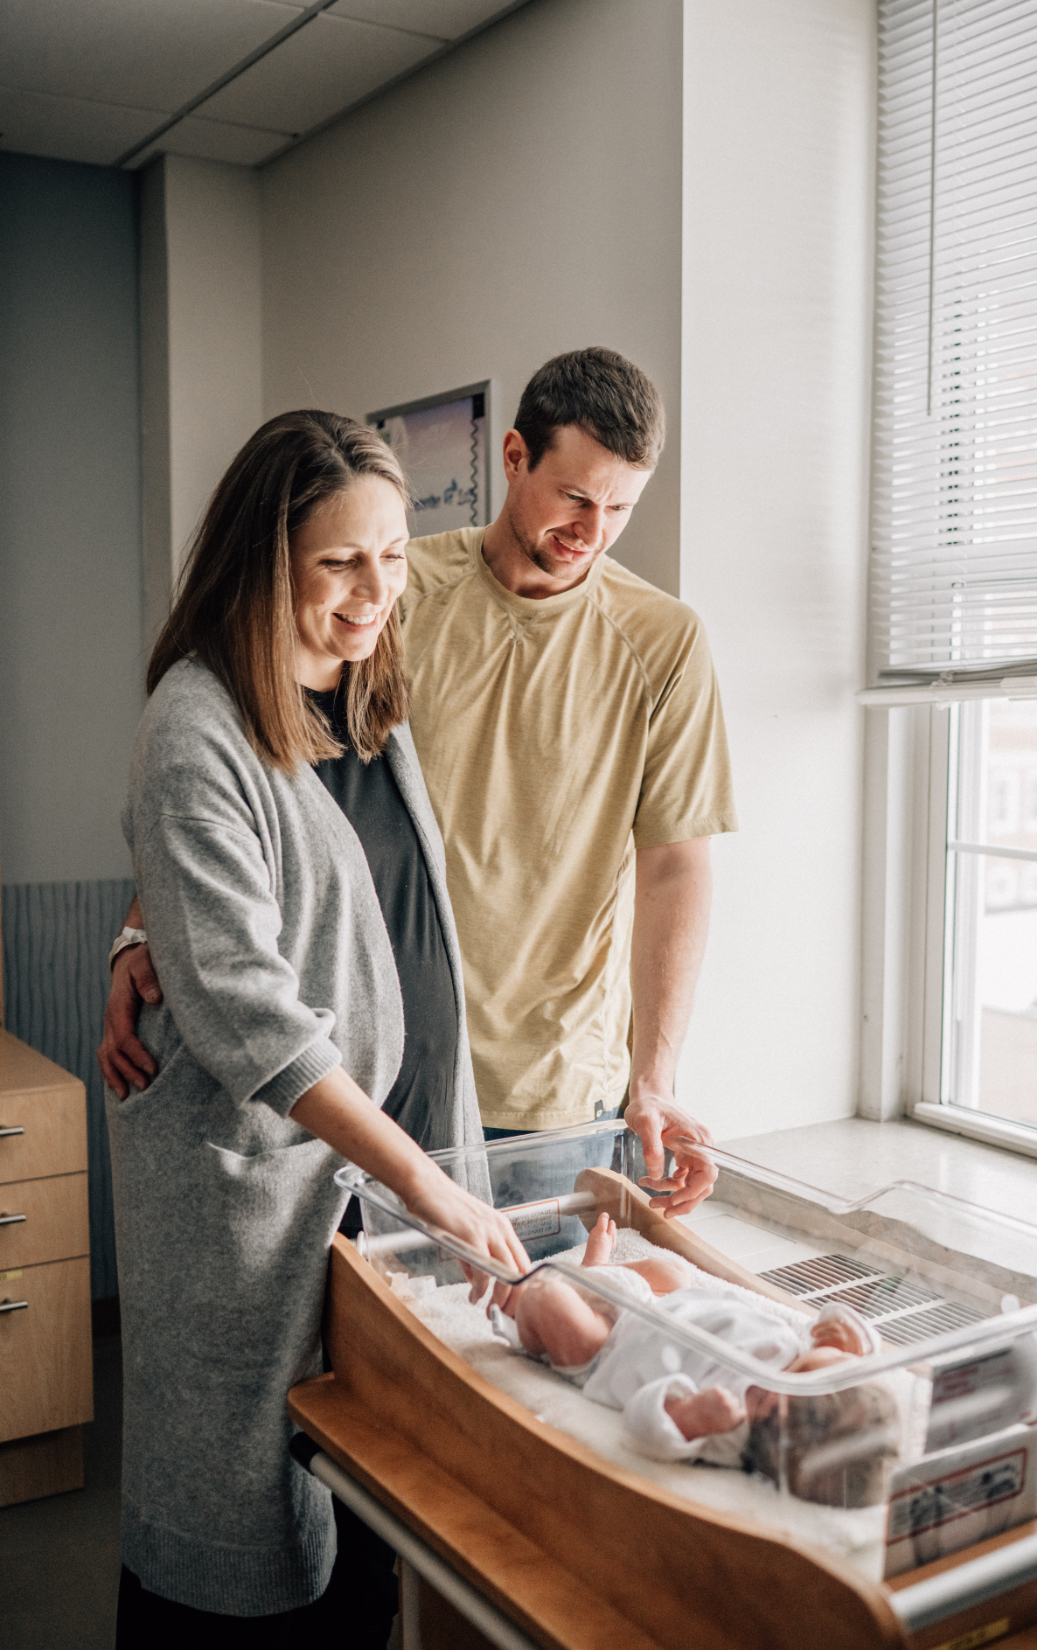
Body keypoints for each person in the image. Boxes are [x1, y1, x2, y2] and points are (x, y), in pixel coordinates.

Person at [101, 347, 736, 1215]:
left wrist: (655, 1080)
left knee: (524, 1341)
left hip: (552, 1092)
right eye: (577, 498)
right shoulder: (387, 592)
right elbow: (244, 768)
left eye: (621, 507)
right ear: (515, 459)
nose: (593, 530)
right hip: (364, 1081)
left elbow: (676, 866)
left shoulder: (663, 641)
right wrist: (149, 928)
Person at [106, 410, 528, 1646]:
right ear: (261, 557)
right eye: (340, 562)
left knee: (360, 1535)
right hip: (272, 1189)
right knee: (239, 1538)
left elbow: (271, 892)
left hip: (374, 1172)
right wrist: (421, 1182)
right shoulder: (196, 728)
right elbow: (248, 1007)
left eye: (392, 556)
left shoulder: (362, 690)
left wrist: (140, 932)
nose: (374, 592)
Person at [498, 1214, 899, 1508]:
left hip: (606, 1352)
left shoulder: (731, 1431)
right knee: (671, 1270)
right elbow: (834, 1331)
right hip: (655, 1304)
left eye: (765, 1406)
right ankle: (597, 1274)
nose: (760, 1388)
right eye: (809, 1369)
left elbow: (642, 1429)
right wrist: (854, 1335)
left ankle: (522, 1298)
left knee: (549, 1300)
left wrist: (688, 1418)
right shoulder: (800, 1355)